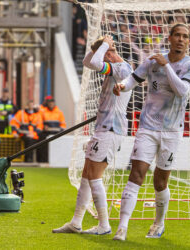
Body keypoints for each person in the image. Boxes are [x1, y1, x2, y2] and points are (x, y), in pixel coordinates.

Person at [112, 23, 190, 240]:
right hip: (148, 127)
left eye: (185, 36)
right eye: (177, 35)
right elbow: (133, 78)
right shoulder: (152, 61)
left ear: (188, 41)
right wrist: (122, 85)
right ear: (169, 38)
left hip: (172, 132)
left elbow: (182, 91)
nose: (181, 39)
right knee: (136, 174)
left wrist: (167, 65)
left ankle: (158, 223)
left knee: (160, 182)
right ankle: (122, 228)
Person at [52, 35, 132, 235]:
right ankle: (76, 222)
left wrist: (105, 45)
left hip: (111, 130)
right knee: (87, 174)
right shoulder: (113, 65)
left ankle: (104, 226)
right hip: (103, 128)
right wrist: (101, 46)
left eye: (105, 56)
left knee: (95, 176)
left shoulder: (122, 69)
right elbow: (88, 61)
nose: (102, 62)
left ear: (110, 56)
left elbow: (95, 62)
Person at [37, 97, 66, 163]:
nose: (51, 104)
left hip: (56, 133)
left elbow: (63, 125)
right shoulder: (43, 112)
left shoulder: (59, 112)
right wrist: (43, 127)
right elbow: (39, 123)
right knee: (41, 141)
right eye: (49, 103)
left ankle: (58, 160)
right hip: (46, 132)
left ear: (54, 103)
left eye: (52, 103)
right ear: (48, 103)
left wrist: (59, 131)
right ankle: (43, 160)